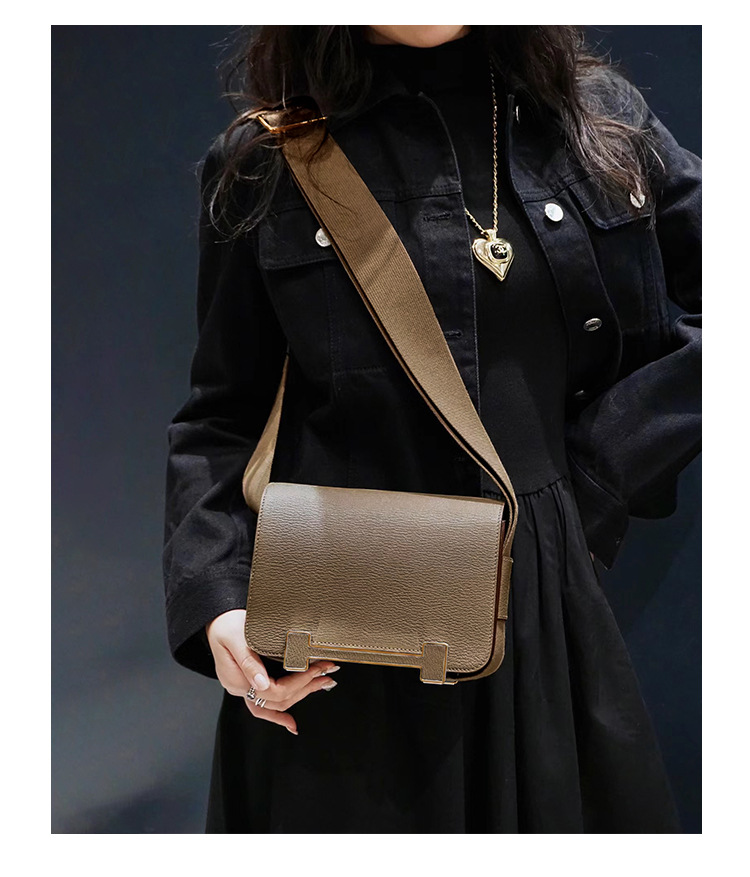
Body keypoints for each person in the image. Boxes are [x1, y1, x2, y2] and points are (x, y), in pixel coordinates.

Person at [162, 25, 701, 833]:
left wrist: (599, 479)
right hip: (340, 642)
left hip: (543, 611)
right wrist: (219, 603)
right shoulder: (268, 162)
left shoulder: (592, 117)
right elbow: (221, 416)